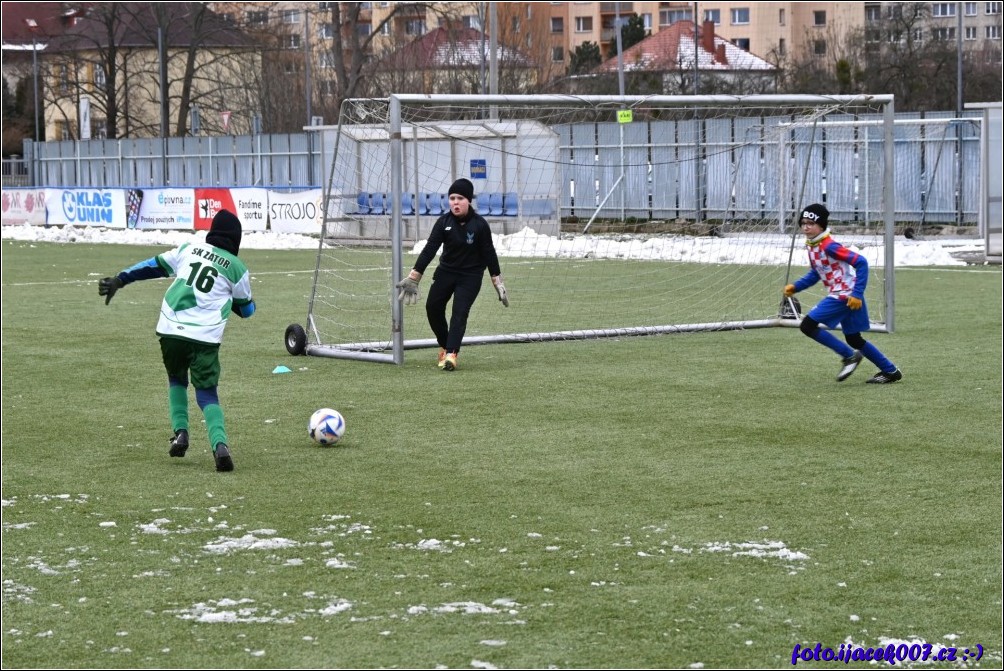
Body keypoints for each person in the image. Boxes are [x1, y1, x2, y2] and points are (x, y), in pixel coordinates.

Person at [98, 209, 256, 471]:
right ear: (236, 240)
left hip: (170, 329)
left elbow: (153, 266)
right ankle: (220, 445)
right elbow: (247, 311)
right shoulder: (237, 267)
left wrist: (120, 279)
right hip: (204, 336)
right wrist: (238, 303)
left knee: (177, 380)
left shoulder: (188, 248)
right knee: (206, 394)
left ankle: (181, 432)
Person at [395, 178, 508, 371]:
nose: (455, 202)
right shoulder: (443, 222)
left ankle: (451, 354)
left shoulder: (480, 225)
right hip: (446, 272)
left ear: (469, 200)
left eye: (460, 198)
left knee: (459, 312)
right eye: (452, 198)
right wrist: (415, 276)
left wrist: (497, 281)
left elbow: (489, 253)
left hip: (470, 276)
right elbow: (430, 249)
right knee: (432, 308)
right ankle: (446, 346)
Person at [784, 203, 902, 384]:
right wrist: (796, 287)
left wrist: (856, 294)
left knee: (807, 326)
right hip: (848, 296)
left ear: (821, 225)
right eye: (803, 222)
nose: (806, 226)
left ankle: (849, 357)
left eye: (811, 223)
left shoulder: (829, 245)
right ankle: (890, 371)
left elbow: (861, 262)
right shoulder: (812, 245)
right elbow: (816, 272)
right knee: (854, 338)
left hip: (845, 295)